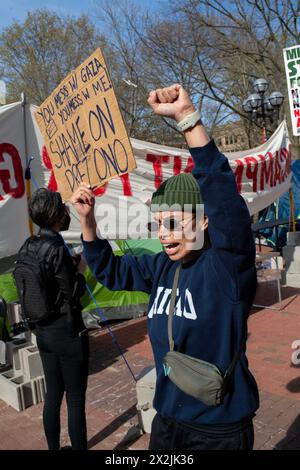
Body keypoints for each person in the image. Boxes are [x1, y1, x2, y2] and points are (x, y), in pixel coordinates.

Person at [71, 84, 259, 450]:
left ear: (204, 221)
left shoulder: (226, 267)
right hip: (168, 423)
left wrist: (188, 121)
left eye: (174, 223)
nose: (164, 235)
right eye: (158, 224)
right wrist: (88, 222)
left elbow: (222, 196)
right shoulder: (160, 267)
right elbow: (111, 272)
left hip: (217, 431)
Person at [27, 189, 89, 450]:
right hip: (67, 333)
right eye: (63, 209)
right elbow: (73, 293)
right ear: (56, 215)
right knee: (75, 401)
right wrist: (82, 268)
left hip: (42, 333)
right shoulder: (56, 248)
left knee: (52, 395)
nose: (67, 213)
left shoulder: (28, 245)